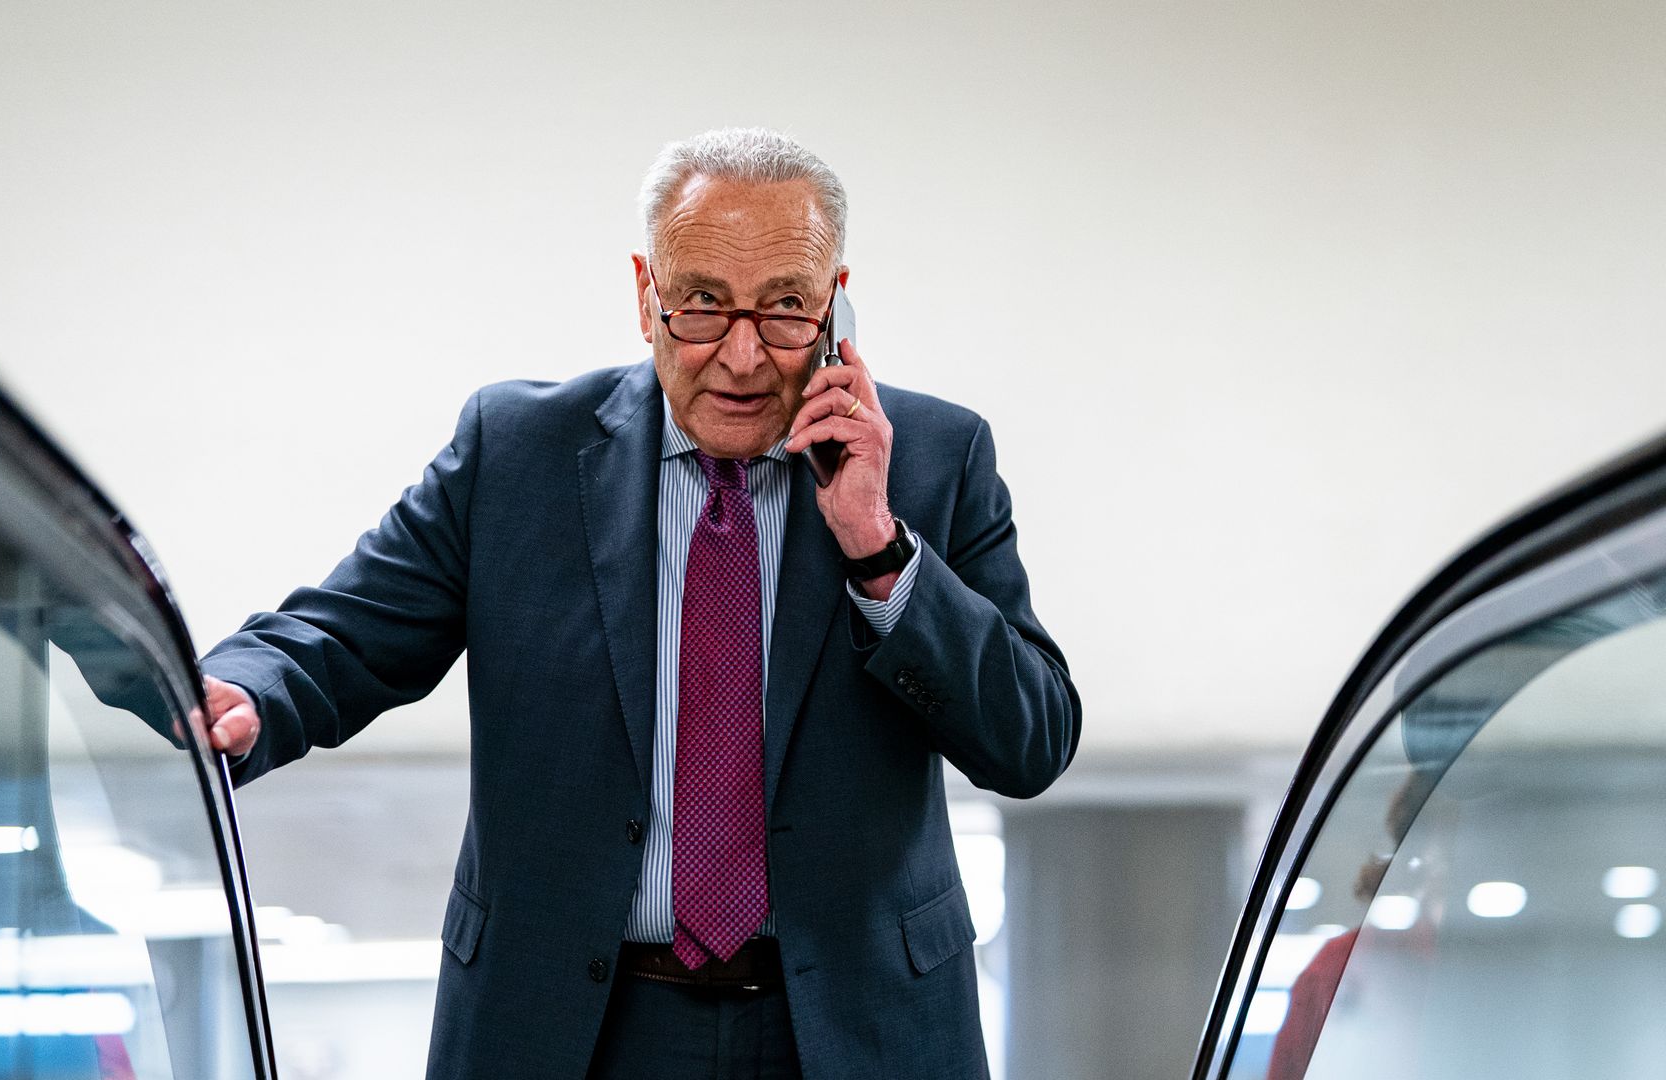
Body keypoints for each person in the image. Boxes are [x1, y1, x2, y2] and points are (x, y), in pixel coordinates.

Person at [197, 128, 1081, 1079]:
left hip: (850, 1028)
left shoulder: (937, 458)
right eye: (702, 305)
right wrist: (242, 692)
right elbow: (340, 634)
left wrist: (877, 545)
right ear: (644, 294)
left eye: (785, 308)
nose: (742, 358)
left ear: (837, 305)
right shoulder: (516, 452)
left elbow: (1031, 742)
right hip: (572, 1028)